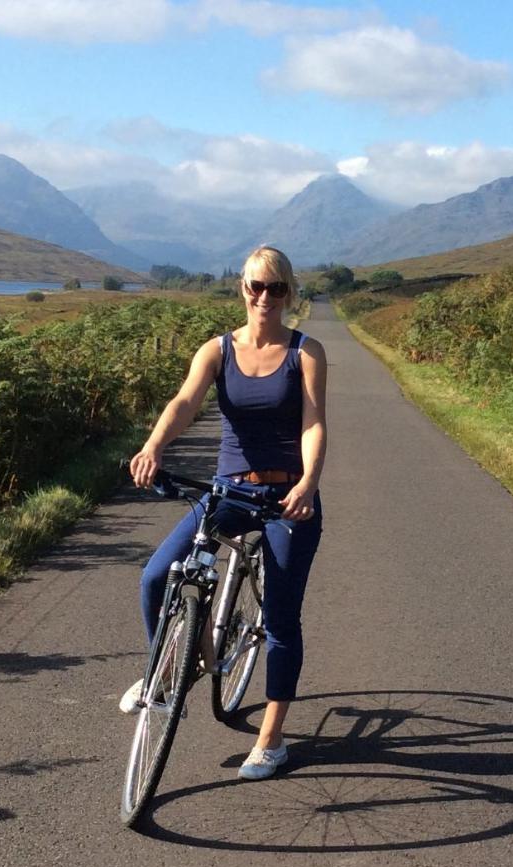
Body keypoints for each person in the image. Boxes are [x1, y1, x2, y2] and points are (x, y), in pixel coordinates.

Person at [123, 245, 327, 780]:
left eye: (276, 288)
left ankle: (272, 739)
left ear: (288, 293)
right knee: (156, 577)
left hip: (286, 500)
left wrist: (308, 482)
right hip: (228, 493)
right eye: (256, 287)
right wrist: (154, 447)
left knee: (282, 621)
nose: (265, 298)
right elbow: (184, 403)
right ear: (241, 288)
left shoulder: (305, 353)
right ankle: (167, 675)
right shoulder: (216, 350)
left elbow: (312, 423)